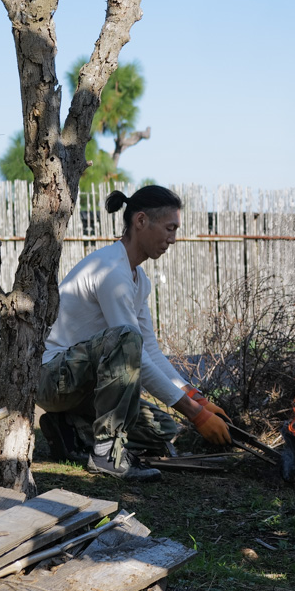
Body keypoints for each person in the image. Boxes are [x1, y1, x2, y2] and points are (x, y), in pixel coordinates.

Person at [37, 185, 232, 480]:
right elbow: (134, 352)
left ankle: (70, 429)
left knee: (163, 430)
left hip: (83, 387)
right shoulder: (110, 271)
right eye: (169, 228)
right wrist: (196, 414)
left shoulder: (138, 279)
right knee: (127, 338)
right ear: (141, 221)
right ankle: (105, 454)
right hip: (53, 378)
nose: (173, 239)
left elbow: (151, 351)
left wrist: (196, 397)